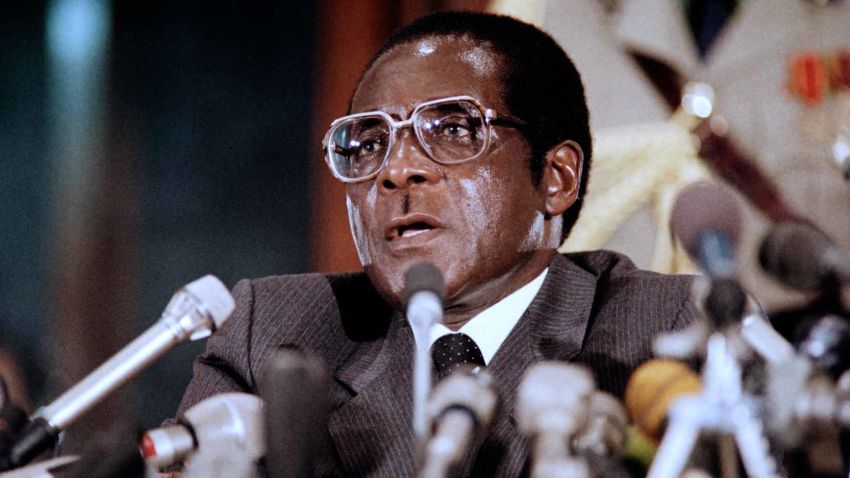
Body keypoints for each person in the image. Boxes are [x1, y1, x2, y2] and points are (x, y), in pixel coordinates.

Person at [173, 11, 697, 477]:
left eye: (452, 130)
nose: (398, 171)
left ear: (555, 178)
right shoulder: (272, 332)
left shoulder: (664, 328)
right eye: (371, 143)